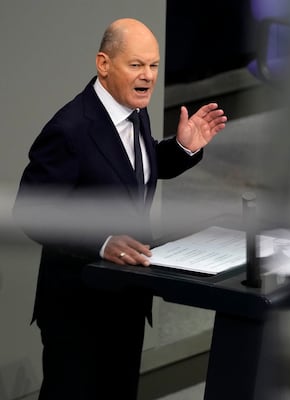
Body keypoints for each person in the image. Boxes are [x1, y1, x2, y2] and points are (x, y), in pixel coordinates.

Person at [13, 18, 227, 399]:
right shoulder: (70, 128)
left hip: (126, 299)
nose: (148, 76)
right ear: (104, 64)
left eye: (154, 65)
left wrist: (182, 148)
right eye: (136, 65)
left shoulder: (135, 111)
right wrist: (101, 240)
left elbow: (129, 172)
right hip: (77, 311)